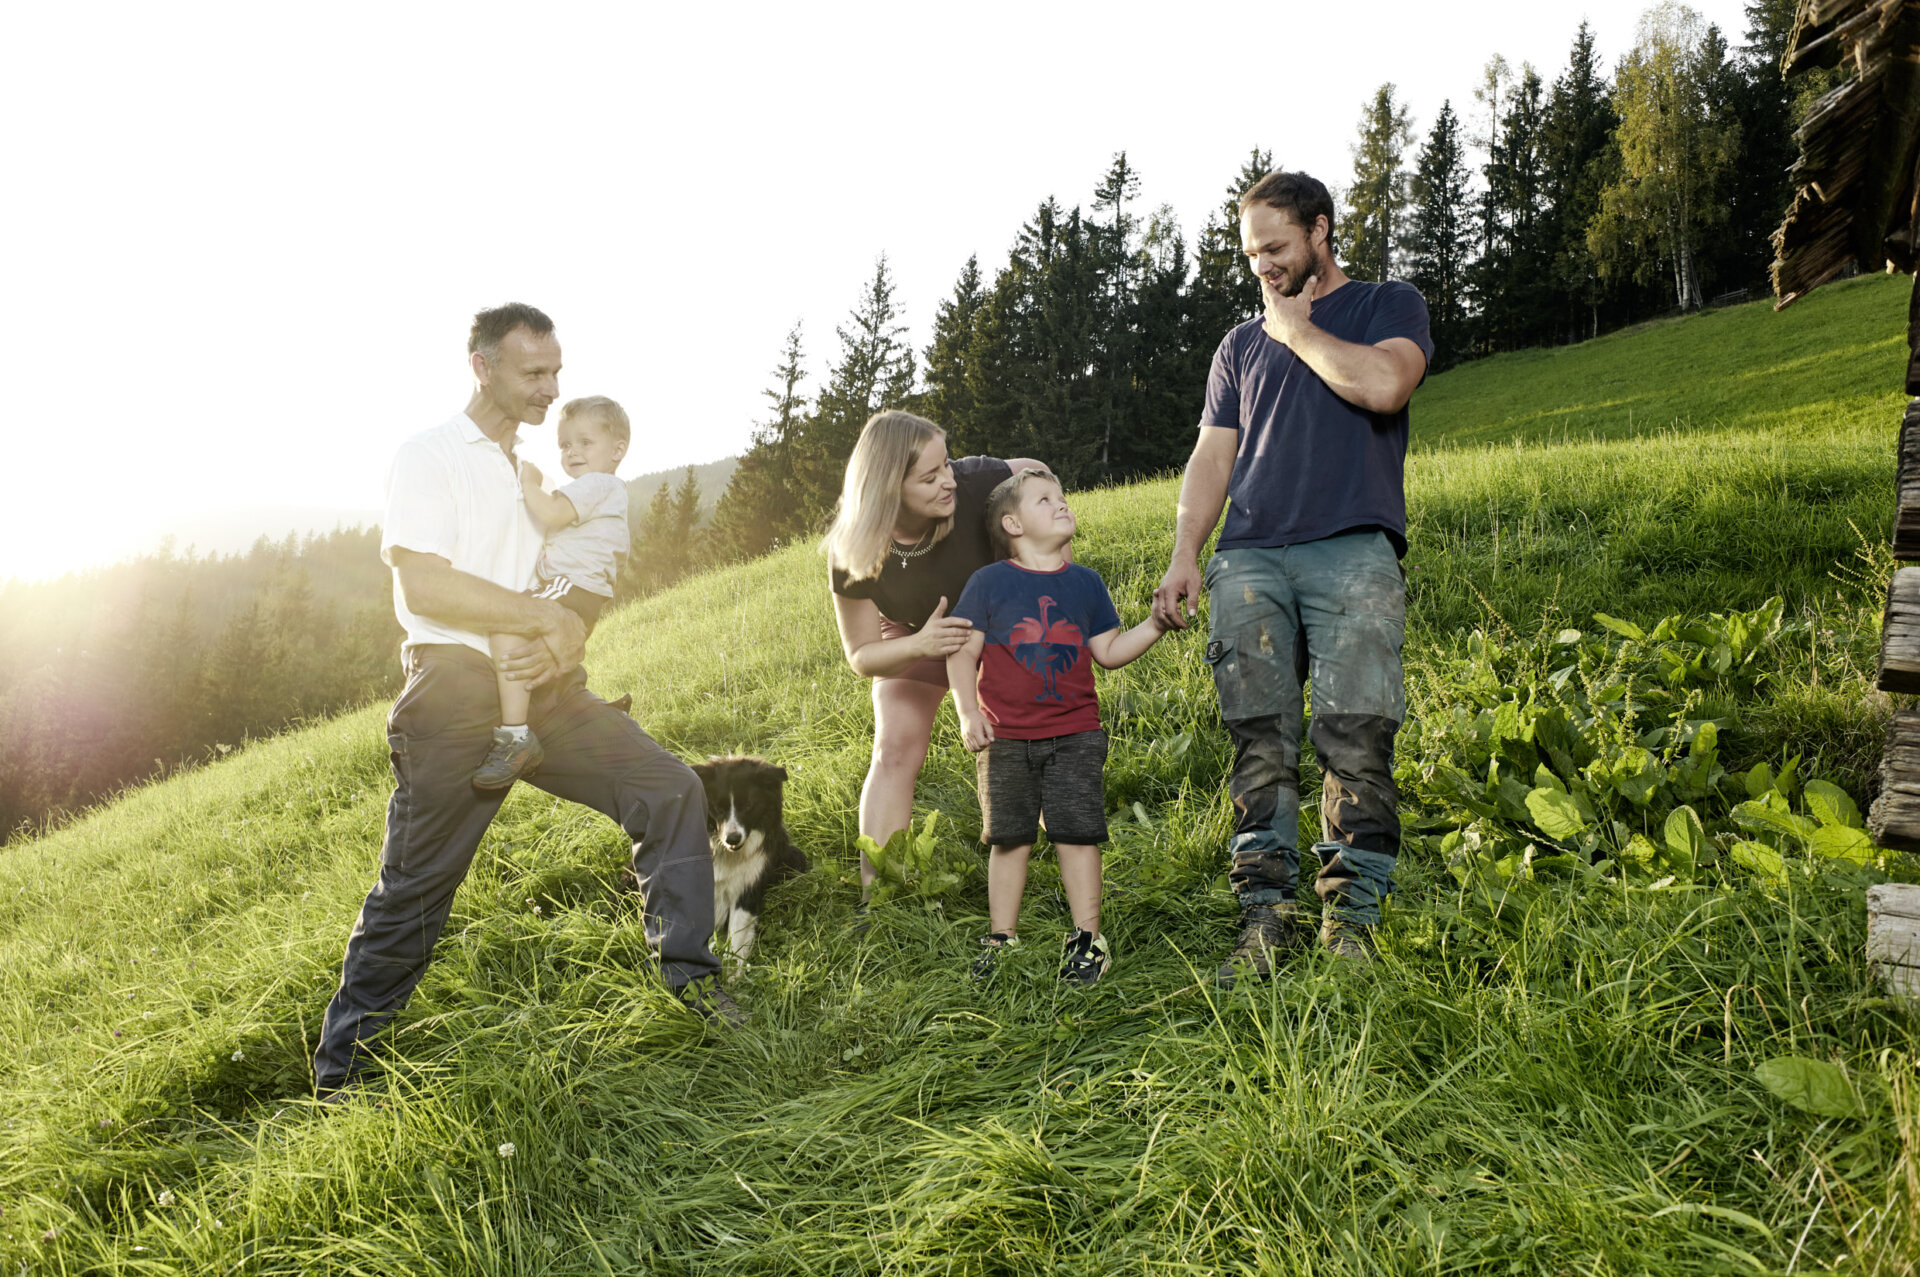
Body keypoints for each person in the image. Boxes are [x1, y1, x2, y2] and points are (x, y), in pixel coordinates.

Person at [313, 304, 728, 1101]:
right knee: (418, 888)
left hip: (547, 692)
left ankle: (694, 987)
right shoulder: (431, 456)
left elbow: (574, 568)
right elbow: (424, 583)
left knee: (669, 788)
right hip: (456, 692)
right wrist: (542, 616)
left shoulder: (533, 476)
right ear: (483, 368)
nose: (551, 388)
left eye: (556, 371)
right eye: (533, 372)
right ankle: (345, 1078)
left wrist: (566, 623)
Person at [1149, 170, 1432, 984]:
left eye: (1275, 247)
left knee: (1357, 735)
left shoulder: (1387, 304)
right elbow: (1212, 457)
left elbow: (1385, 385)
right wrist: (1185, 554)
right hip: (1247, 558)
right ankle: (1264, 916)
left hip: (1352, 548)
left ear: (1320, 230)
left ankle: (1351, 924)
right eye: (1250, 255)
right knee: (1258, 740)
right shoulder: (1237, 346)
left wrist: (1295, 329)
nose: (1262, 266)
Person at [947, 469, 1170, 983]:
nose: (1062, 504)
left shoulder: (1085, 582)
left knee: (1077, 833)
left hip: (1075, 733)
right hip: (1004, 737)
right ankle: (1001, 936)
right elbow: (963, 653)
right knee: (1009, 837)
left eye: (1063, 497)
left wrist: (1156, 624)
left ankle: (1087, 939)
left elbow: (1109, 652)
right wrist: (967, 711)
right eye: (1045, 499)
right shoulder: (988, 583)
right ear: (1013, 523)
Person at [824, 411, 1047, 901]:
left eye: (946, 464)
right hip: (913, 632)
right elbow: (862, 654)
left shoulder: (978, 484)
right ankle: (878, 893)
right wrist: (919, 645)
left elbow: (1035, 469)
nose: (948, 480)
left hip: (999, 625)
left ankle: (1060, 842)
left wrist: (1039, 557)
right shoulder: (852, 548)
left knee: (1026, 727)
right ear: (887, 486)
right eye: (930, 476)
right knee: (896, 746)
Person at [473, 395, 632, 789]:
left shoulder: (598, 485)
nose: (572, 451)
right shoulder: (601, 490)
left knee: (505, 626)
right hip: (576, 589)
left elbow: (552, 513)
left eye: (584, 442)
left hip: (569, 587)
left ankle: (515, 737)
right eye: (564, 444)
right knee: (532, 652)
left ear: (617, 450)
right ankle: (602, 724)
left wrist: (529, 481)